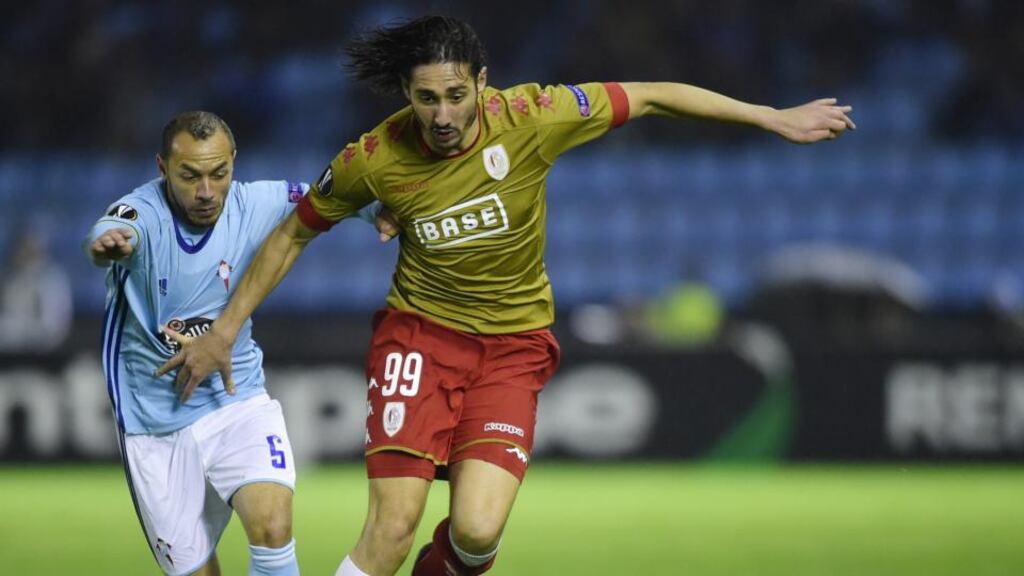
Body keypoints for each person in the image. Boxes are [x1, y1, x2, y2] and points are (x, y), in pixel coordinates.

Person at [158, 16, 856, 576]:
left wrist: (771, 117)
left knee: (475, 533)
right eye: (426, 97)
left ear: (482, 85)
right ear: (406, 92)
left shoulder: (533, 117)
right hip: (421, 339)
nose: (442, 114)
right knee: (391, 529)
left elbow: (650, 93)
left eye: (456, 95)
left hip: (513, 348)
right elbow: (288, 236)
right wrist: (224, 329)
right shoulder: (374, 158)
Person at [85, 110, 394, 576]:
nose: (207, 191)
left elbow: (329, 197)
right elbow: (112, 229)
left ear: (234, 162)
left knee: (272, 525)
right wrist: (106, 245)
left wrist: (378, 210)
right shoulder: (142, 211)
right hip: (154, 425)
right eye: (189, 176)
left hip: (235, 399)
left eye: (219, 173)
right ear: (162, 168)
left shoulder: (257, 203)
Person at [0, 225, 73, 353]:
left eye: (29, 248)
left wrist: (19, 330)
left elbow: (51, 329)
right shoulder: (10, 276)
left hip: (44, 356)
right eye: (21, 248)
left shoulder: (52, 280)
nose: (23, 253)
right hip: (10, 353)